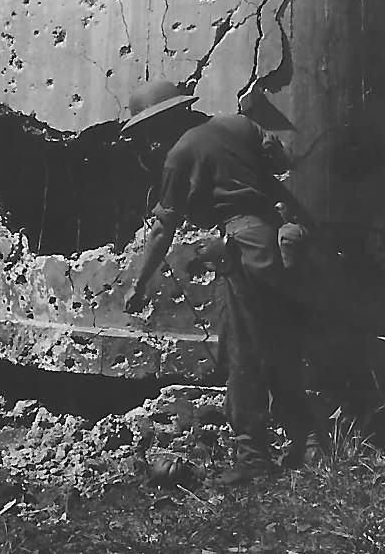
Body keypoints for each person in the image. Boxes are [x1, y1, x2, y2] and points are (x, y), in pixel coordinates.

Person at [120, 80, 312, 484]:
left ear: (163, 121)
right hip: (278, 240)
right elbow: (286, 159)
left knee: (243, 352)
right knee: (279, 343)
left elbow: (162, 228)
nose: (149, 144)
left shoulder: (180, 154)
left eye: (149, 133)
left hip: (241, 246)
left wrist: (139, 283)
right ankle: (308, 441)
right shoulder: (239, 124)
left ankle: (253, 460)